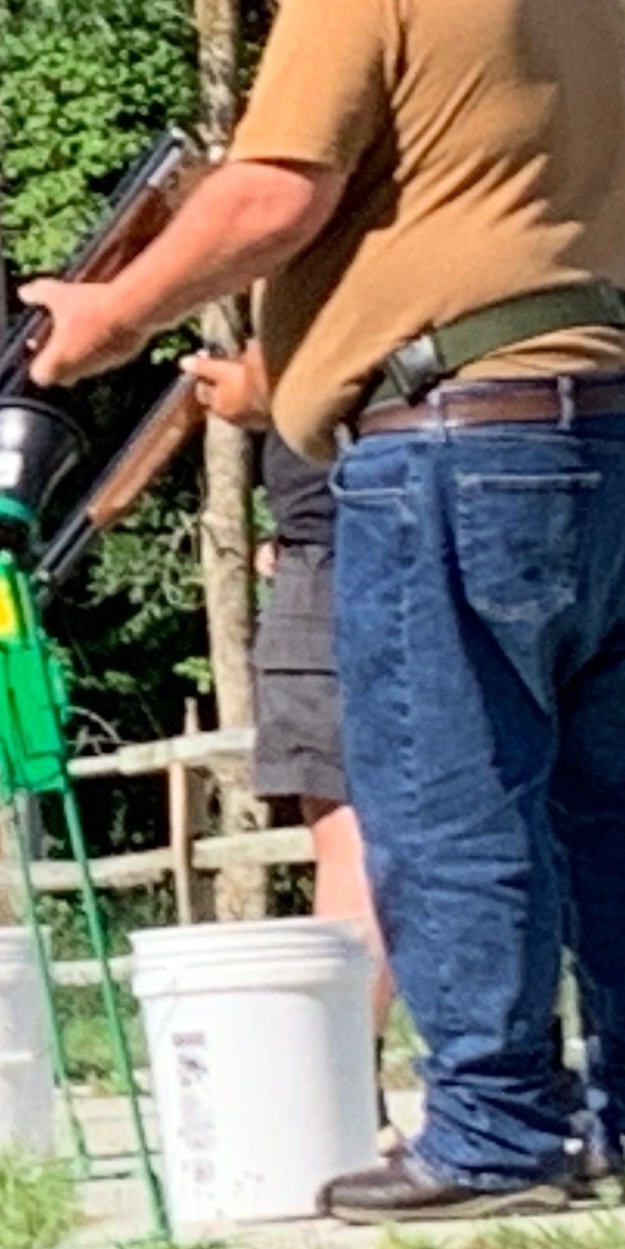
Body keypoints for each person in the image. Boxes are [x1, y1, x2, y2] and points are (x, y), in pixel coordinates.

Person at [22, 0, 625, 1223]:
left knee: (444, 793)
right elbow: (478, 225)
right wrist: (297, 363)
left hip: (465, 446)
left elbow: (278, 192)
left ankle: (495, 1136)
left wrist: (114, 313)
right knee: (624, 804)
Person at [253, 437, 393, 1035]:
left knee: (351, 844)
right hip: (471, 529)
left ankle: (350, 1085)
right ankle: (529, 1082)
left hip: (329, 559)